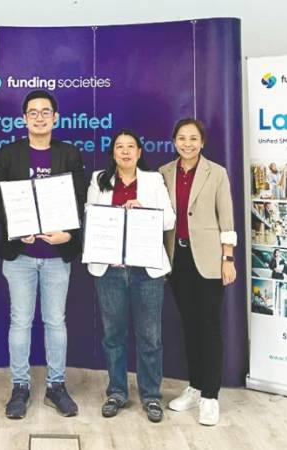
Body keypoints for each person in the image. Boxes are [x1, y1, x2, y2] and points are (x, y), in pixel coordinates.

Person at [0, 90, 86, 419]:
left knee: (55, 321)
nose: (40, 117)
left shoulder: (69, 154)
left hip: (57, 255)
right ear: (24, 118)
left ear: (56, 118)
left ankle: (57, 386)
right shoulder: (9, 153)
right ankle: (20, 387)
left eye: (46, 112)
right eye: (33, 112)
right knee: (20, 321)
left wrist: (68, 233)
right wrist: (18, 228)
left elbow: (80, 198)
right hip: (20, 255)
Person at [86, 129, 175, 423]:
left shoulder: (153, 180)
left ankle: (151, 396)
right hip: (110, 271)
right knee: (113, 336)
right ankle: (117, 392)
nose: (125, 152)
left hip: (145, 271)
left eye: (130, 147)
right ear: (113, 153)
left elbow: (170, 219)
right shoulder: (99, 180)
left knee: (150, 336)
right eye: (119, 147)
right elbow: (91, 218)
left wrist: (144, 210)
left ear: (139, 152)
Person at [159, 118, 237, 427]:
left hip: (208, 260)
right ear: (174, 141)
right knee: (189, 325)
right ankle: (194, 386)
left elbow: (226, 218)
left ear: (202, 142)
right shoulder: (164, 173)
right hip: (177, 260)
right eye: (181, 138)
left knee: (209, 327)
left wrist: (227, 258)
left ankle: (210, 396)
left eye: (193, 138)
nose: (187, 143)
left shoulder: (216, 173)